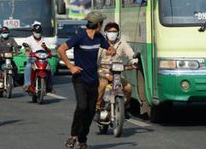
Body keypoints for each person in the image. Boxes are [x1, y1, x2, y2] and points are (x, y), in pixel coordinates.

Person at [57, 11, 115, 149]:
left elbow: (109, 48)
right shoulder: (80, 36)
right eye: (102, 23)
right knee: (82, 106)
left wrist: (111, 50)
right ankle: (73, 136)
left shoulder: (99, 37)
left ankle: (82, 140)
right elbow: (61, 49)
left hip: (93, 80)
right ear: (98, 24)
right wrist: (70, 66)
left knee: (90, 112)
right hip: (80, 79)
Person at [94, 22, 138, 122]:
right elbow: (95, 57)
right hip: (103, 72)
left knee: (128, 88)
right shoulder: (101, 43)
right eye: (110, 31)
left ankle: (125, 108)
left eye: (114, 31)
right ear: (106, 33)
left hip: (117, 73)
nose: (112, 33)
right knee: (102, 85)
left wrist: (134, 62)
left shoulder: (122, 44)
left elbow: (131, 54)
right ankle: (97, 109)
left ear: (118, 33)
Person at [23, 21, 52, 92]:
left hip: (43, 59)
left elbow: (49, 51)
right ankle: (27, 84)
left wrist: (45, 47)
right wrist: (28, 51)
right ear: (33, 32)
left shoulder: (45, 39)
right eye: (36, 32)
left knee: (49, 69)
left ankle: (50, 86)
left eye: (39, 32)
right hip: (33, 58)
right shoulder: (28, 39)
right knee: (28, 66)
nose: (38, 34)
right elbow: (26, 48)